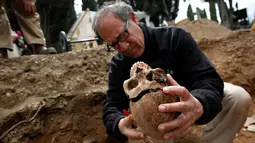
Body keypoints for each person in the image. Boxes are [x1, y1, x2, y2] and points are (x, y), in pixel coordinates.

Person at [93, 2, 252, 143]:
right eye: (114, 44)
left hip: (191, 99)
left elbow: (208, 80)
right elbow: (112, 106)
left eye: (123, 35)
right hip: (154, 123)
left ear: (134, 19)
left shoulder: (174, 38)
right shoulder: (119, 64)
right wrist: (119, 123)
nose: (124, 47)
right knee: (141, 127)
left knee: (238, 97)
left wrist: (199, 103)